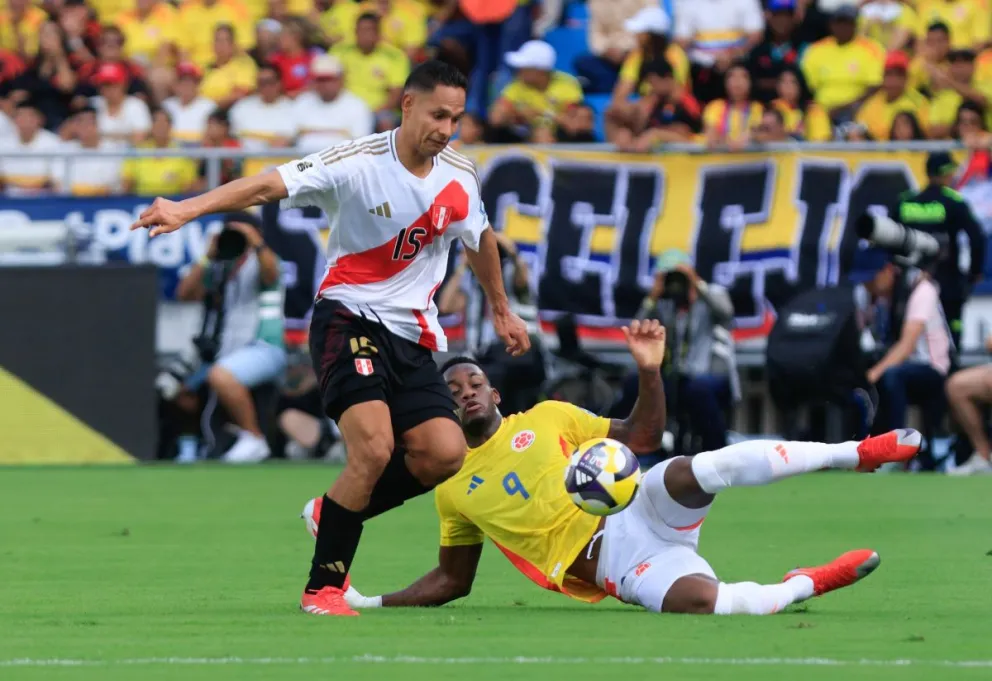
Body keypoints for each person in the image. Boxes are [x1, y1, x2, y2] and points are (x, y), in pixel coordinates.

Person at [130, 60, 530, 616]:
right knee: (374, 448)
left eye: (457, 119)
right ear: (408, 105)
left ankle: (334, 511)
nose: (446, 129)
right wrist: (186, 207)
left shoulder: (459, 174)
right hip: (348, 319)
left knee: (445, 453)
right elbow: (269, 184)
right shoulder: (358, 161)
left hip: (413, 334)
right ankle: (324, 589)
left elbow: (480, 238)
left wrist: (503, 310)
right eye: (438, 114)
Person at [307, 321, 925, 615]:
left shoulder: (546, 416)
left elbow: (643, 435)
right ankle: (807, 582)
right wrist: (372, 601)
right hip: (618, 563)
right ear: (441, 406)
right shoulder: (451, 489)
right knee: (717, 608)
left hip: (642, 504)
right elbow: (453, 581)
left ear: (496, 394)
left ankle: (859, 453)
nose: (466, 391)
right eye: (453, 389)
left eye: (475, 381)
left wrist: (649, 370)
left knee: (696, 467)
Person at [889, 151, 987, 348]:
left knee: (903, 333)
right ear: (946, 173)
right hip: (946, 280)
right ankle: (950, 370)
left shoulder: (906, 201)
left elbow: (888, 237)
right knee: (950, 331)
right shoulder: (953, 202)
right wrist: (975, 272)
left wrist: (894, 267)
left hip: (909, 281)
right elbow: (977, 238)